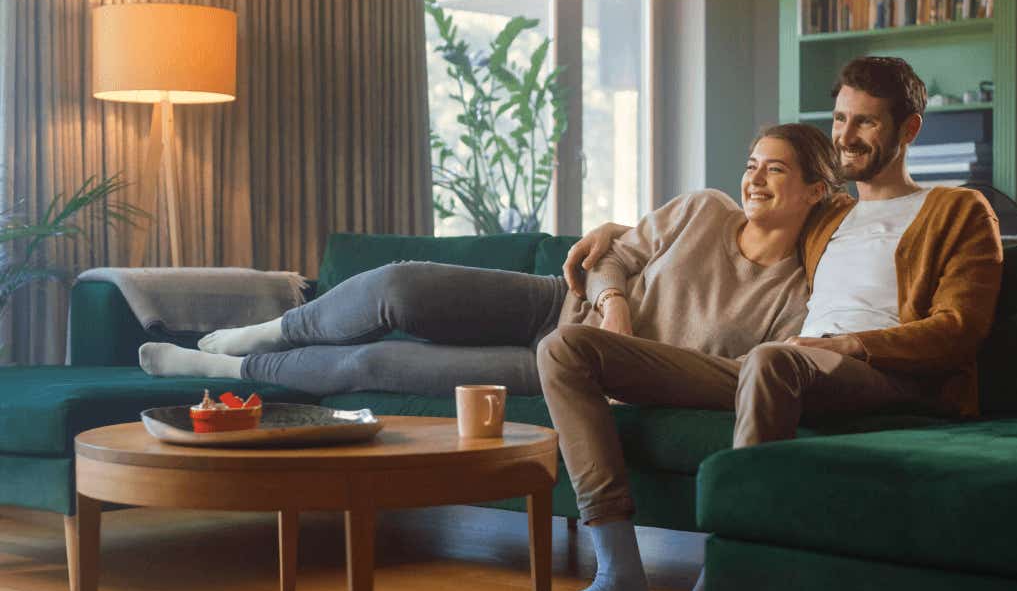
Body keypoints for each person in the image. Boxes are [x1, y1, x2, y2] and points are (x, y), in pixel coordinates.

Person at [505, 56, 1004, 591]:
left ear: (908, 130)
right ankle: (618, 580)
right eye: (841, 119)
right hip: (781, 369)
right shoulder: (829, 213)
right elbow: (745, 213)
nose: (847, 136)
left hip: (885, 377)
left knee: (774, 360)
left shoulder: (957, 210)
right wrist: (614, 232)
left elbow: (960, 328)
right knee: (567, 350)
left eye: (867, 123)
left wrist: (850, 343)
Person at [137, 124, 848, 403]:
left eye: (776, 172)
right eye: (752, 163)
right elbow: (615, 257)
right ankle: (272, 331)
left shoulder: (796, 296)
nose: (755, 179)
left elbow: (743, 373)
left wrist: (623, 356)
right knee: (399, 286)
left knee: (374, 370)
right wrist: (615, 306)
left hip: (573, 367)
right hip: (555, 305)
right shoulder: (704, 209)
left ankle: (228, 372)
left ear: (816, 191)